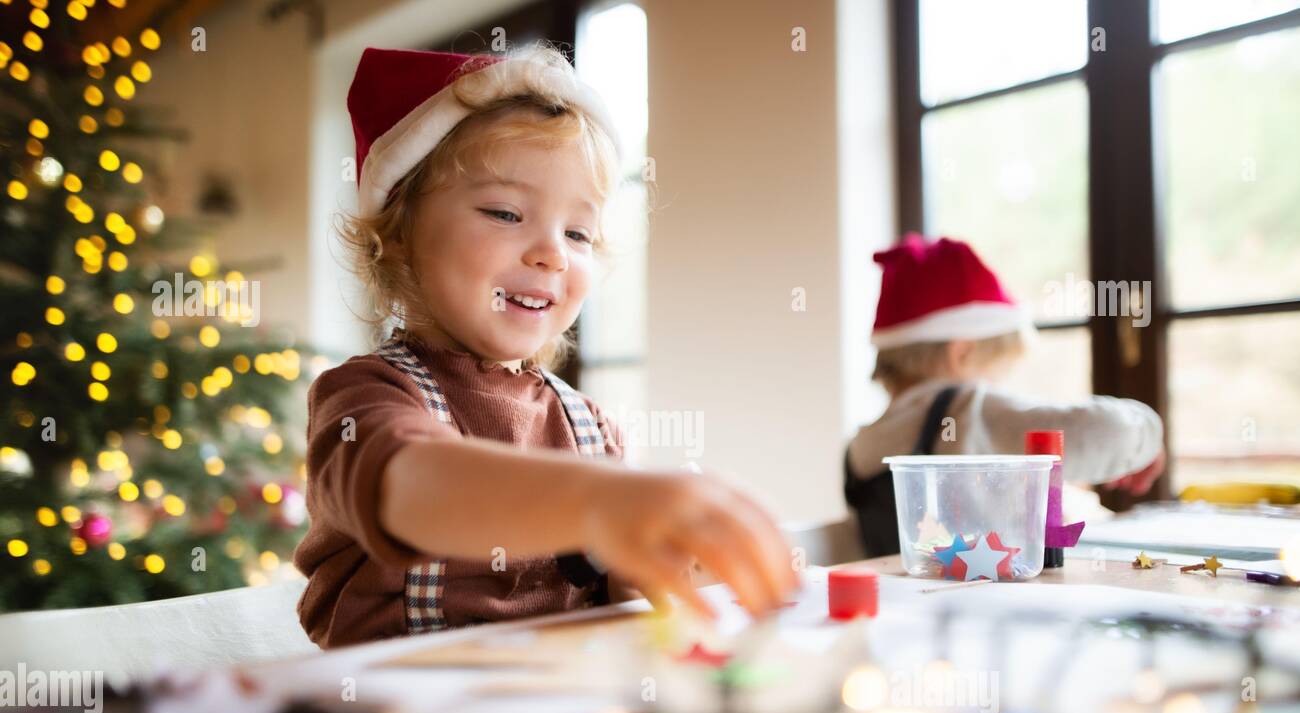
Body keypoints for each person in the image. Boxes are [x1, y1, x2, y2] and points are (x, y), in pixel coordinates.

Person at [294, 45, 797, 648]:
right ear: (399, 235)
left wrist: (671, 568)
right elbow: (414, 487)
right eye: (506, 213)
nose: (552, 252)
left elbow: (619, 605)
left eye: (578, 232)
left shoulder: (590, 428)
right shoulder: (363, 397)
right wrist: (601, 500)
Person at [845, 234, 1165, 558]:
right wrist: (1146, 437)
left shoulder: (862, 443)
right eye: (997, 371)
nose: (998, 387)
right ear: (963, 354)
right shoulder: (965, 411)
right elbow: (1110, 431)